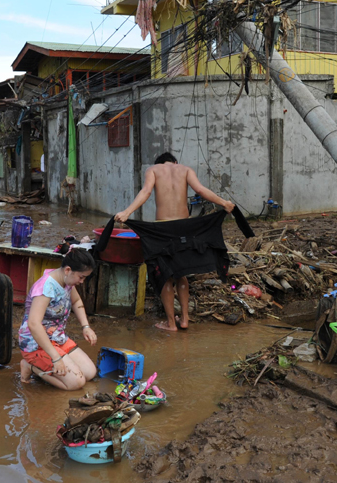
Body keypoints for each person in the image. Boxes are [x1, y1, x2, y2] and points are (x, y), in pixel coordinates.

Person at [115, 152, 235, 331]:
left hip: (164, 229)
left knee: (165, 277)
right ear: (175, 162)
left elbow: (146, 191)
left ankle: (171, 323)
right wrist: (223, 203)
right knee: (181, 273)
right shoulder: (185, 169)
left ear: (159, 163)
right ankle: (185, 319)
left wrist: (127, 212)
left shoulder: (153, 170)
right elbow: (201, 190)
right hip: (185, 228)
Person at [18, 248, 98, 390]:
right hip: (36, 342)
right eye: (81, 277)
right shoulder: (45, 288)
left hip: (57, 337)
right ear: (68, 270)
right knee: (76, 383)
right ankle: (30, 366)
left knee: (89, 373)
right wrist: (56, 358)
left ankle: (50, 363)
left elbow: (76, 302)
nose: (82, 282)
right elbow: (34, 324)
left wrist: (86, 327)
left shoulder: (67, 281)